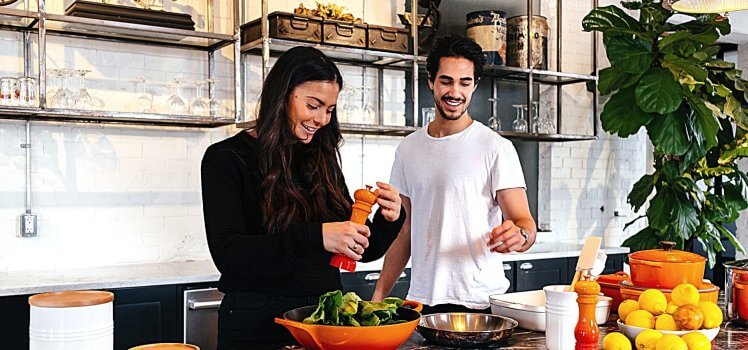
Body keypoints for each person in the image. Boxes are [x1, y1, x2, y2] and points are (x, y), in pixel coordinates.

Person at [200, 46, 405, 349]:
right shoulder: (226, 159)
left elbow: (358, 250)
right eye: (314, 105)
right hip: (256, 327)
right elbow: (230, 256)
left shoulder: (321, 158)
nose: (322, 119)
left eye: (330, 109)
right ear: (282, 95)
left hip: (324, 324)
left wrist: (389, 219)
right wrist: (317, 236)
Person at [371, 35, 537, 314]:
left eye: (465, 82)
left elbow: (525, 224)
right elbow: (404, 231)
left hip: (480, 302)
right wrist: (378, 296)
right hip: (422, 301)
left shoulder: (496, 148)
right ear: (430, 81)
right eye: (446, 81)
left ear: (475, 85)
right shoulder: (408, 148)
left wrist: (519, 236)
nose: (455, 92)